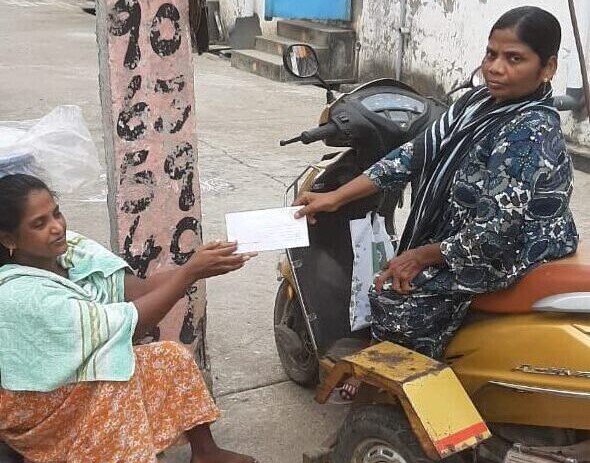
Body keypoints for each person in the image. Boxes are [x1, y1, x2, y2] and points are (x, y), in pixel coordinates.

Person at [295, 6, 578, 378]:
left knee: (391, 293)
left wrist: (420, 255)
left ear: (548, 67)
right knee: (399, 268)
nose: (495, 68)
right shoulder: (477, 103)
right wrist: (335, 197)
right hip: (471, 234)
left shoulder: (529, 131)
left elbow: (493, 235)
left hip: (512, 248)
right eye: (491, 54)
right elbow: (414, 153)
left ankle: (403, 379)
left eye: (514, 59)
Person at [0, 173, 257, 463]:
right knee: (117, 386)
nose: (57, 227)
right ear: (9, 239)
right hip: (37, 403)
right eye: (39, 224)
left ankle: (206, 454)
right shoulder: (21, 293)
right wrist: (190, 272)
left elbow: (137, 290)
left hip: (74, 375)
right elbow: (127, 326)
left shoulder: (71, 252)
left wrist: (203, 267)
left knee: (170, 357)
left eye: (56, 213)